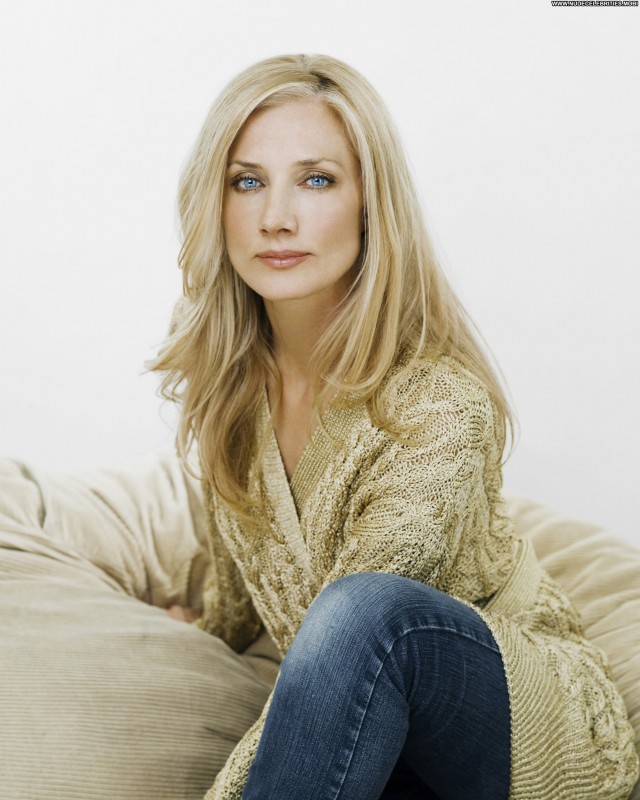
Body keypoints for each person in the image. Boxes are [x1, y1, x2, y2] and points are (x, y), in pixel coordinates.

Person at [150, 54, 639, 800]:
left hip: (516, 724)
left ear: (370, 205)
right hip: (379, 743)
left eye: (317, 180)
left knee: (362, 609)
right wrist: (202, 629)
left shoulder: (438, 405)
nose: (276, 216)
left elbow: (349, 641)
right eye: (247, 182)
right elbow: (246, 584)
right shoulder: (230, 393)